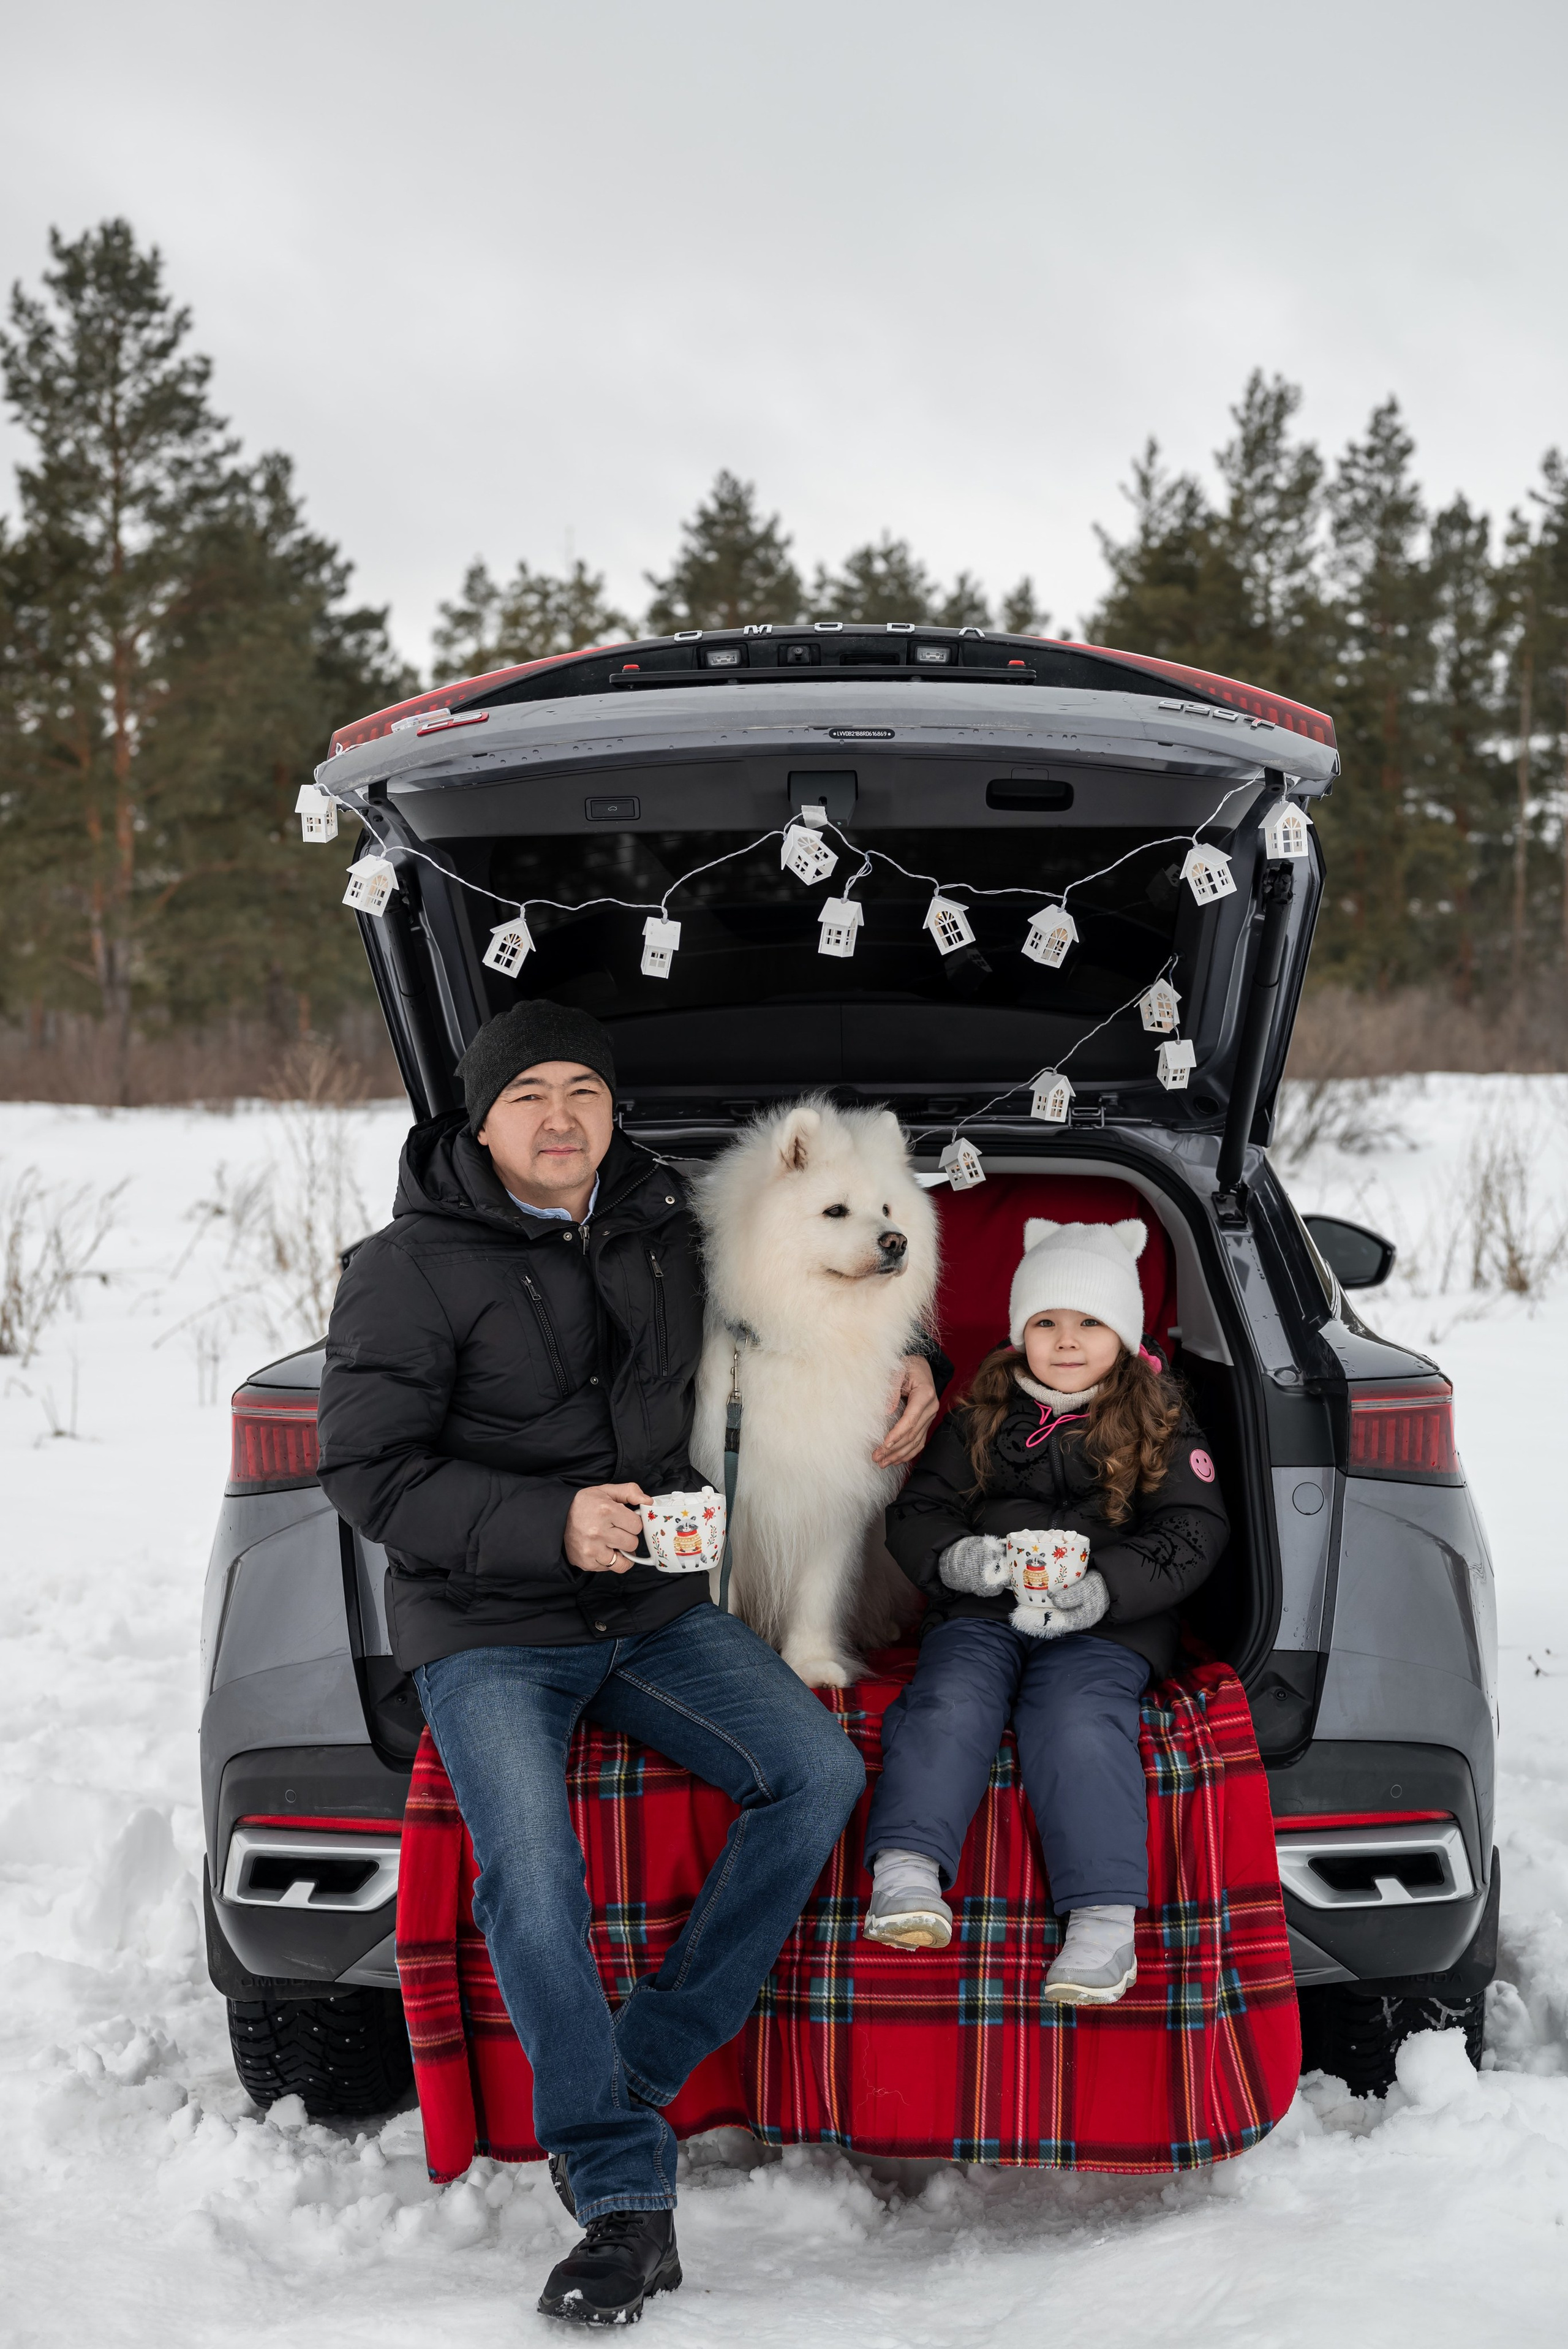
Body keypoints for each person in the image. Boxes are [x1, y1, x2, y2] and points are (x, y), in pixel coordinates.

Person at [315, 1000, 941, 2326]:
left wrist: (921, 1365)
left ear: (611, 1112)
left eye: (582, 1092)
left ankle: (631, 2059)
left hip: (650, 1610)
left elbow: (812, 1278)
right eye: (526, 1094)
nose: (558, 1118)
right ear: (477, 1120)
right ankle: (618, 2193)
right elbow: (366, 1471)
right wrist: (551, 1523)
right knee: (532, 1878)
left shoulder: (662, 1229)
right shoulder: (402, 1266)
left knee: (816, 1776)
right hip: (489, 1628)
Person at [859, 1217, 1229, 2003]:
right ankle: (906, 1874)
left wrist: (1106, 1588)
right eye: (1045, 1323)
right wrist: (956, 1561)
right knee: (948, 1697)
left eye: (1090, 1323)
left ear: (1123, 1334)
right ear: (1019, 1332)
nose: (1065, 1341)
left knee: (1075, 1720)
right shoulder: (981, 1413)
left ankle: (1102, 1924)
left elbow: (1192, 1532)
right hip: (983, 1609)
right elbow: (920, 1508)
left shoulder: (1160, 1417)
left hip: (1107, 1620)